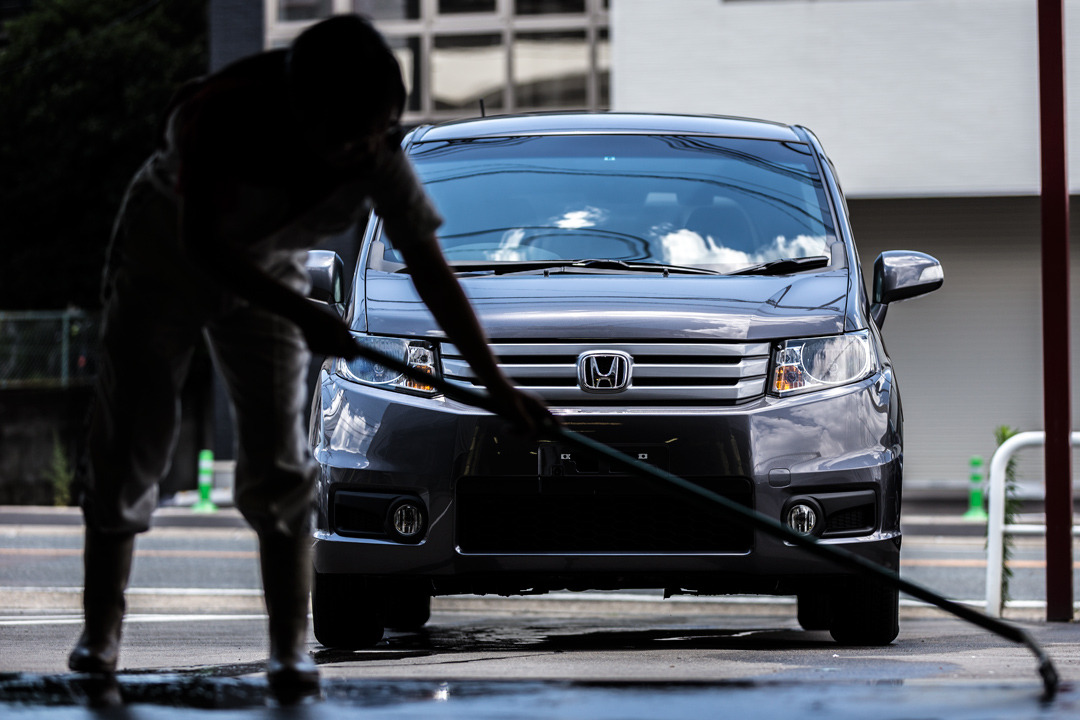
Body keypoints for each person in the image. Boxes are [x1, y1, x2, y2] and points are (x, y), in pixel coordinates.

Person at [68, 14, 550, 702]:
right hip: (167, 250)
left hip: (269, 261)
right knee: (130, 440)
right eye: (354, 135)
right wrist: (305, 315)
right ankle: (100, 635)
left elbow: (430, 269)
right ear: (304, 115)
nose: (372, 150)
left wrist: (497, 384)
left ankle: (289, 650)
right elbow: (205, 246)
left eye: (383, 129)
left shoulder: (378, 151)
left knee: (281, 462)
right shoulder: (224, 118)